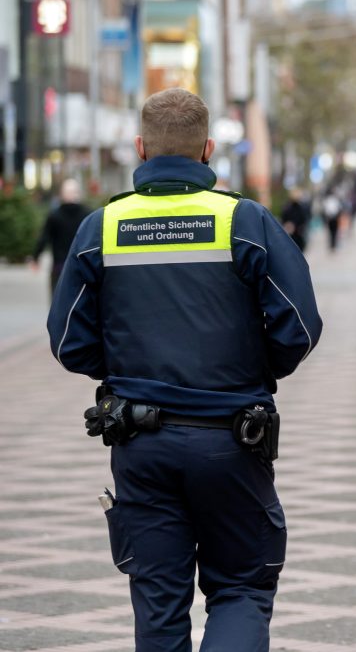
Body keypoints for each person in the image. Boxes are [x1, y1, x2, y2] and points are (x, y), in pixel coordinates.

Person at [46, 87, 323, 651]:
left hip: (140, 444)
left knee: (158, 603)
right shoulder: (244, 221)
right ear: (208, 150)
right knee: (241, 589)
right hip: (231, 440)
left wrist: (125, 367)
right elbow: (299, 324)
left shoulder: (103, 226)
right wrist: (250, 369)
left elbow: (68, 341)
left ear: (140, 147)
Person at [32, 177, 89, 295]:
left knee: (57, 301)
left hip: (59, 267)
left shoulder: (55, 215)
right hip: (83, 267)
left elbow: (44, 238)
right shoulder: (88, 215)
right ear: (78, 194)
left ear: (62, 195)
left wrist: (36, 257)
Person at [280, 188, 311, 253]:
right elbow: (283, 219)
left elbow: (304, 220)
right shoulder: (287, 207)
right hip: (291, 234)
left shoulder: (301, 207)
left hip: (297, 234)